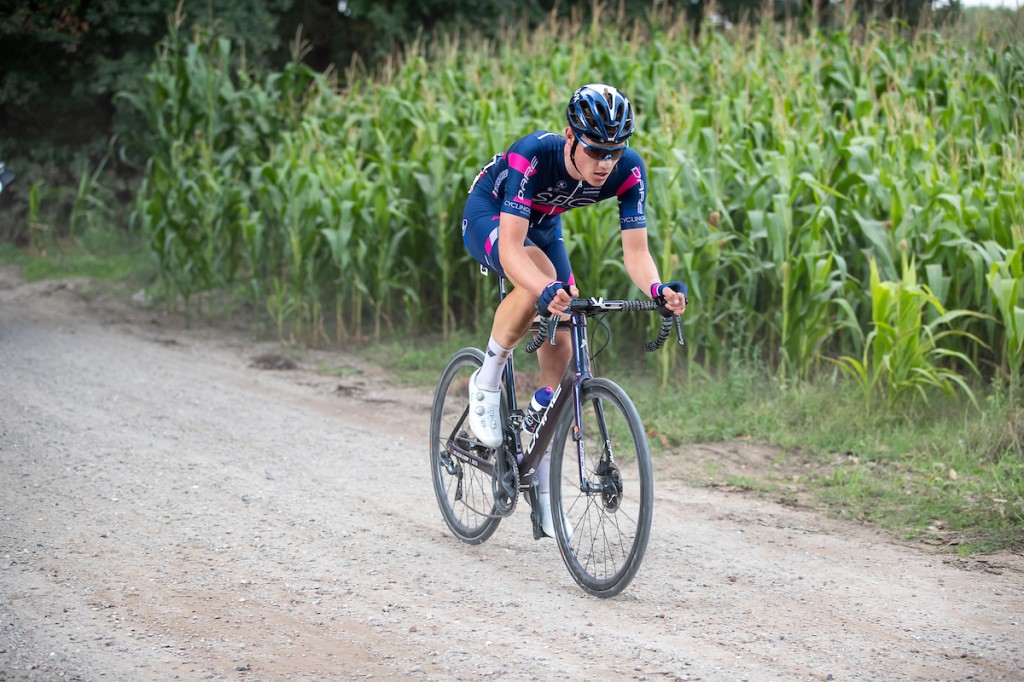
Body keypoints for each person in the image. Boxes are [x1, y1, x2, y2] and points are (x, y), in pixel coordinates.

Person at [460, 83, 687, 537]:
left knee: (564, 326)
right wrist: (543, 288)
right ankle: (485, 382)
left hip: (544, 224)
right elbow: (510, 249)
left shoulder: (628, 171)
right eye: (596, 150)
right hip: (492, 215)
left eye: (615, 151)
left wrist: (658, 287)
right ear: (569, 136)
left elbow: (636, 252)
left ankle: (540, 457)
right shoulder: (534, 154)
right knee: (540, 281)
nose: (606, 163)